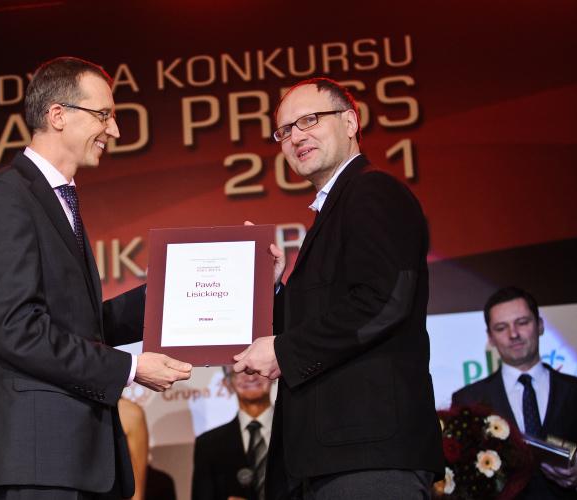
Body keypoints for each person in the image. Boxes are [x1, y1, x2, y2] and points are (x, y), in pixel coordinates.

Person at [0, 56, 191, 500]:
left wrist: (170, 293)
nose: (115, 130)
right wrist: (129, 367)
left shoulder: (57, 198)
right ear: (58, 115)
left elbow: (77, 325)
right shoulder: (6, 198)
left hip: (78, 458)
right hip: (43, 457)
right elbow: (17, 330)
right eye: (103, 114)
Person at [232, 77, 444, 499]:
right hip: (332, 460)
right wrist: (276, 291)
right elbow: (330, 314)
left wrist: (284, 350)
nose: (296, 137)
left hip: (369, 456)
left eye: (310, 120)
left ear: (350, 122)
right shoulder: (335, 208)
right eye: (284, 130)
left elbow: (384, 301)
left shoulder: (373, 191)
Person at [452, 286, 577, 497]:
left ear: (540, 325)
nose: (514, 334)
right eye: (501, 328)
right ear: (490, 337)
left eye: (522, 322)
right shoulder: (468, 400)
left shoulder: (573, 390)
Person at [192, 368, 273, 500]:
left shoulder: (300, 433)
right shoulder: (208, 444)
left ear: (274, 374)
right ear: (227, 382)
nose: (251, 377)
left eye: (257, 369)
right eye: (240, 370)